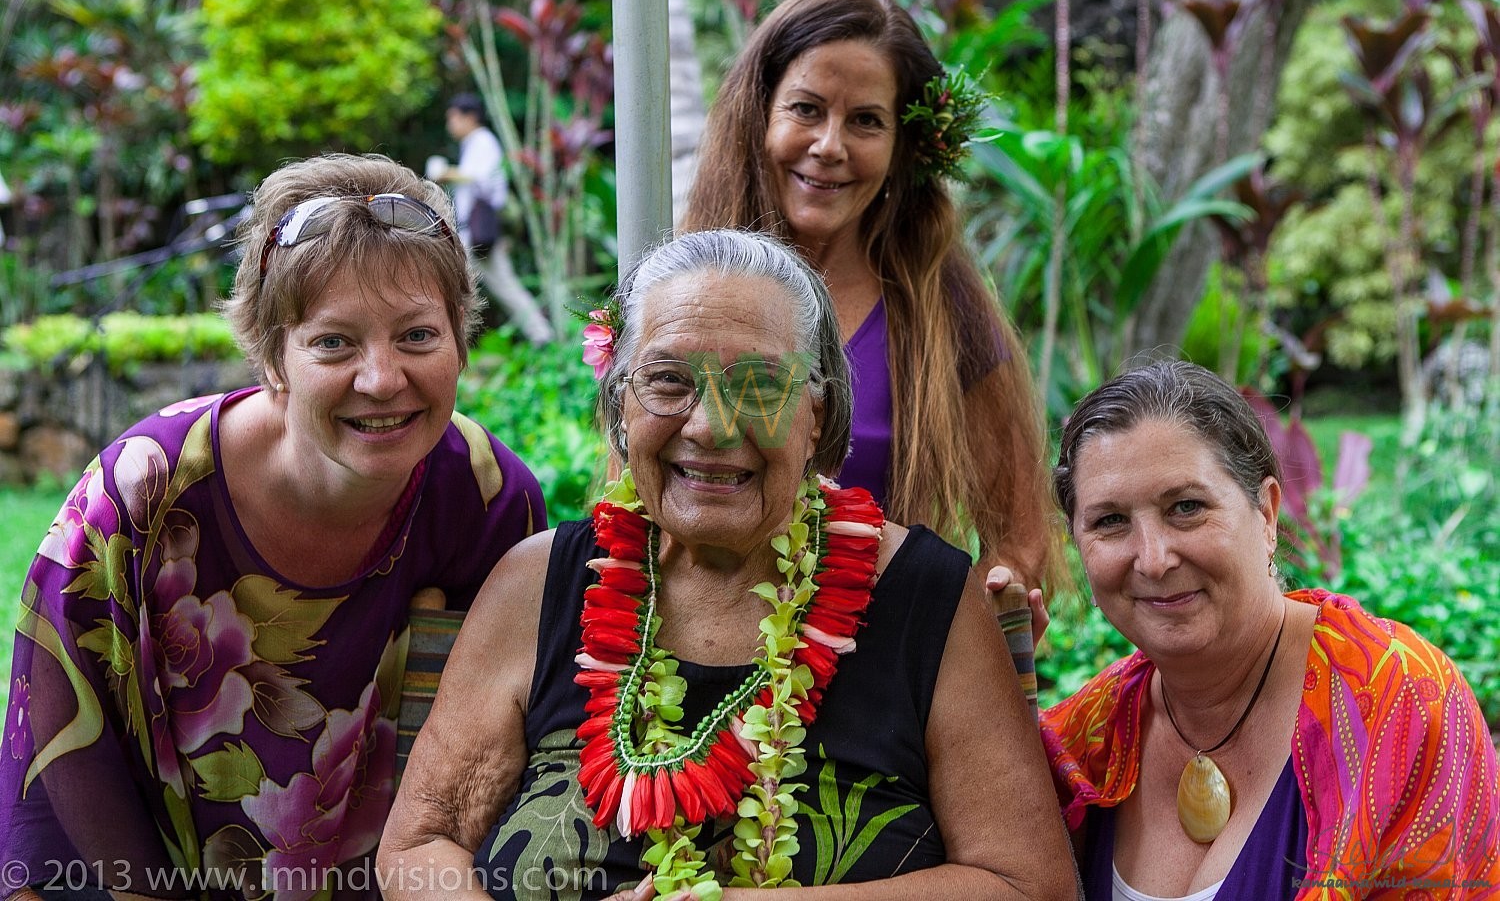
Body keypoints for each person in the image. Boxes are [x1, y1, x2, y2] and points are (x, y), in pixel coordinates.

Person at [377, 229, 1076, 900]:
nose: (710, 425)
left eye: (760, 384)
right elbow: (417, 847)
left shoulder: (930, 599)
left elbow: (1029, 885)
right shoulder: (537, 584)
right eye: (669, 380)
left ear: (816, 412)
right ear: (621, 403)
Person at [0, 153, 546, 899]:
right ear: (273, 356)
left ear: (460, 337)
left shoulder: (487, 500)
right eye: (334, 342)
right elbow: (58, 756)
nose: (382, 379)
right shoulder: (139, 495)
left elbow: (504, 766)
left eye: (417, 335)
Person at [1041, 361, 1500, 898]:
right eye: (1110, 521)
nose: (1153, 559)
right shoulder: (1079, 742)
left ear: (1266, 514)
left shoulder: (1400, 699)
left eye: (1186, 507)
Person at [680, 0, 1058, 597]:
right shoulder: (685, 294)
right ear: (759, 113)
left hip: (886, 666)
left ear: (904, 146)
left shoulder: (939, 305)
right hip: (698, 662)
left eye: (865, 121)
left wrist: (996, 609)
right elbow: (632, 498)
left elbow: (1018, 530)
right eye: (805, 109)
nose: (830, 147)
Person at [438, 93, 509, 254]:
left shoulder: (483, 141)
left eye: (453, 118)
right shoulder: (471, 142)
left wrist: (448, 173)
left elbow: (482, 179)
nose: (450, 124)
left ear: (470, 117)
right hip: (472, 228)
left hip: (480, 224)